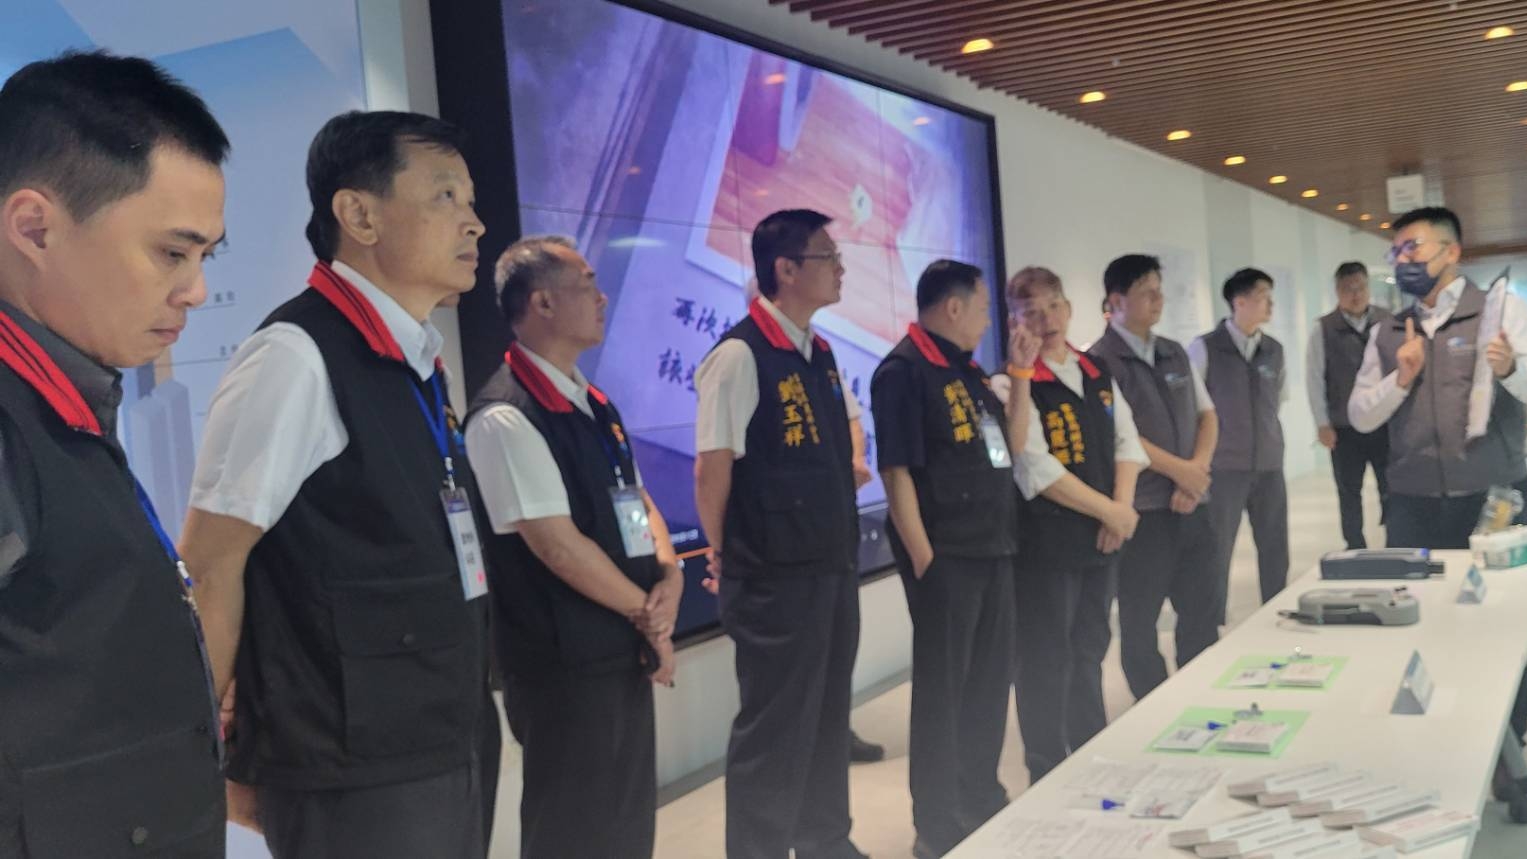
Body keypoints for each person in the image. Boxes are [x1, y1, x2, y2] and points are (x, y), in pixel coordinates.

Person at [176, 111, 499, 858]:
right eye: (445, 196)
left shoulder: (416, 358)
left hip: (442, 731)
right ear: (359, 215)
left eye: (471, 200)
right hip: (353, 764)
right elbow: (213, 563)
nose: (475, 223)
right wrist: (207, 761)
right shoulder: (294, 356)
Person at [0, 50, 229, 857]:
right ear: (35, 227)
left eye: (206, 257)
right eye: (171, 252)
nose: (195, 290)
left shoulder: (65, 397)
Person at [464, 235, 681, 858]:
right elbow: (555, 545)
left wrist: (669, 573)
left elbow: (637, 501)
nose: (602, 297)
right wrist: (649, 613)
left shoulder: (594, 404)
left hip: (620, 647)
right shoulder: (506, 416)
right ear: (542, 303)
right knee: (573, 831)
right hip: (563, 666)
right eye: (587, 283)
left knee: (626, 824)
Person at [694, 209, 867, 859]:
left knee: (826, 714)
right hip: (772, 576)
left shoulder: (818, 351)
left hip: (827, 564)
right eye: (828, 257)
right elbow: (712, 468)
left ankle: (826, 840)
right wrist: (725, 552)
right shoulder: (739, 355)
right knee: (774, 729)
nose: (840, 268)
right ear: (786, 269)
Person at [871, 260, 1036, 857]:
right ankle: (937, 825)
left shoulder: (966, 370)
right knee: (943, 695)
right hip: (948, 559)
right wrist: (925, 560)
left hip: (993, 547)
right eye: (984, 308)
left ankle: (980, 795)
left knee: (989, 683)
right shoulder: (903, 372)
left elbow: (1012, 445)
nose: (989, 320)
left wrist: (1021, 374)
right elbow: (897, 474)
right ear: (954, 307)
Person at [1003, 266, 1143, 783]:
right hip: (1046, 546)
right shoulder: (1009, 382)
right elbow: (1032, 465)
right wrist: (1109, 511)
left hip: (1101, 540)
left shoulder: (1094, 370)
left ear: (1069, 309)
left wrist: (1121, 509)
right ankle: (1046, 767)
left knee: (1088, 649)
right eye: (1031, 312)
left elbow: (1127, 440)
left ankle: (1090, 754)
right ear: (1014, 322)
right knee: (1045, 658)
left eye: (1053, 306)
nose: (1046, 320)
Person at [1348, 206, 1527, 549]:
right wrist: (1399, 380)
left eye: (1412, 247)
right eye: (1395, 252)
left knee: (1497, 585)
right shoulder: (1388, 330)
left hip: (1493, 494)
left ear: (1452, 252)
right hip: (1411, 500)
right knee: (1418, 584)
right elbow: (1360, 416)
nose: (1402, 260)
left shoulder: (1500, 311)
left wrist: (1509, 369)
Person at [1090, 254, 1220, 700]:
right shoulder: (1099, 363)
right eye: (1147, 293)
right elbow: (1120, 437)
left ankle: (1200, 696)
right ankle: (1156, 705)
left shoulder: (1174, 351)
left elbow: (1207, 415)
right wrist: (1182, 472)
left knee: (1201, 612)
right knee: (1140, 621)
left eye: (1159, 291)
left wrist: (1196, 473)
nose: (1158, 300)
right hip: (1144, 512)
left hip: (1192, 506)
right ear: (1116, 301)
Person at [1190, 268, 1289, 620]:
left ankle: (1276, 612)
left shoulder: (1274, 350)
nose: (1270, 305)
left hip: (1269, 464)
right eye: (1263, 297)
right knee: (1217, 548)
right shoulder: (1205, 348)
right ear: (1239, 301)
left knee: (1275, 547)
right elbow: (1194, 409)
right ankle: (1212, 618)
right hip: (1224, 466)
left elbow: (1279, 398)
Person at [1307, 262, 1393, 549]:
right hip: (1343, 427)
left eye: (1360, 288)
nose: (1355, 295)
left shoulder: (1387, 321)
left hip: (1384, 424)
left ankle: (1395, 539)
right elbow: (1314, 378)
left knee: (1391, 486)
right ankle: (1355, 546)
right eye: (1348, 289)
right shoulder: (1323, 328)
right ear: (1337, 291)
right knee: (1348, 491)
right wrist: (1322, 423)